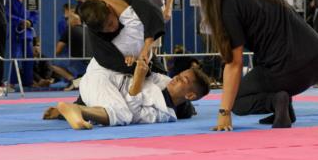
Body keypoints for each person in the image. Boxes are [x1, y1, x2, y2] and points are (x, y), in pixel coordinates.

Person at [189, 0, 318, 130]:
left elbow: (234, 63)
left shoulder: (229, 4)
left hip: (292, 68)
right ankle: (284, 108)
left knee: (238, 100)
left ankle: (276, 101)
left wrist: (224, 112)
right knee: (261, 60)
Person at [53, 59, 210, 130]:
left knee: (124, 115)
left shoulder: (164, 114)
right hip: (104, 71)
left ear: (190, 96)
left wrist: (138, 79)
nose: (176, 78)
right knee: (121, 114)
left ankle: (76, 109)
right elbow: (149, 72)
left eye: (183, 80)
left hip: (102, 84)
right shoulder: (164, 80)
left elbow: (133, 111)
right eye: (179, 75)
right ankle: (77, 109)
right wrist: (139, 64)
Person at [7, 0, 38, 88]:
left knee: (29, 57)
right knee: (15, 57)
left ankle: (28, 82)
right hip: (15, 32)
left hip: (28, 33)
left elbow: (35, 14)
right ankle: (12, 82)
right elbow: (8, 14)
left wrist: (30, 22)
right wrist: (21, 21)